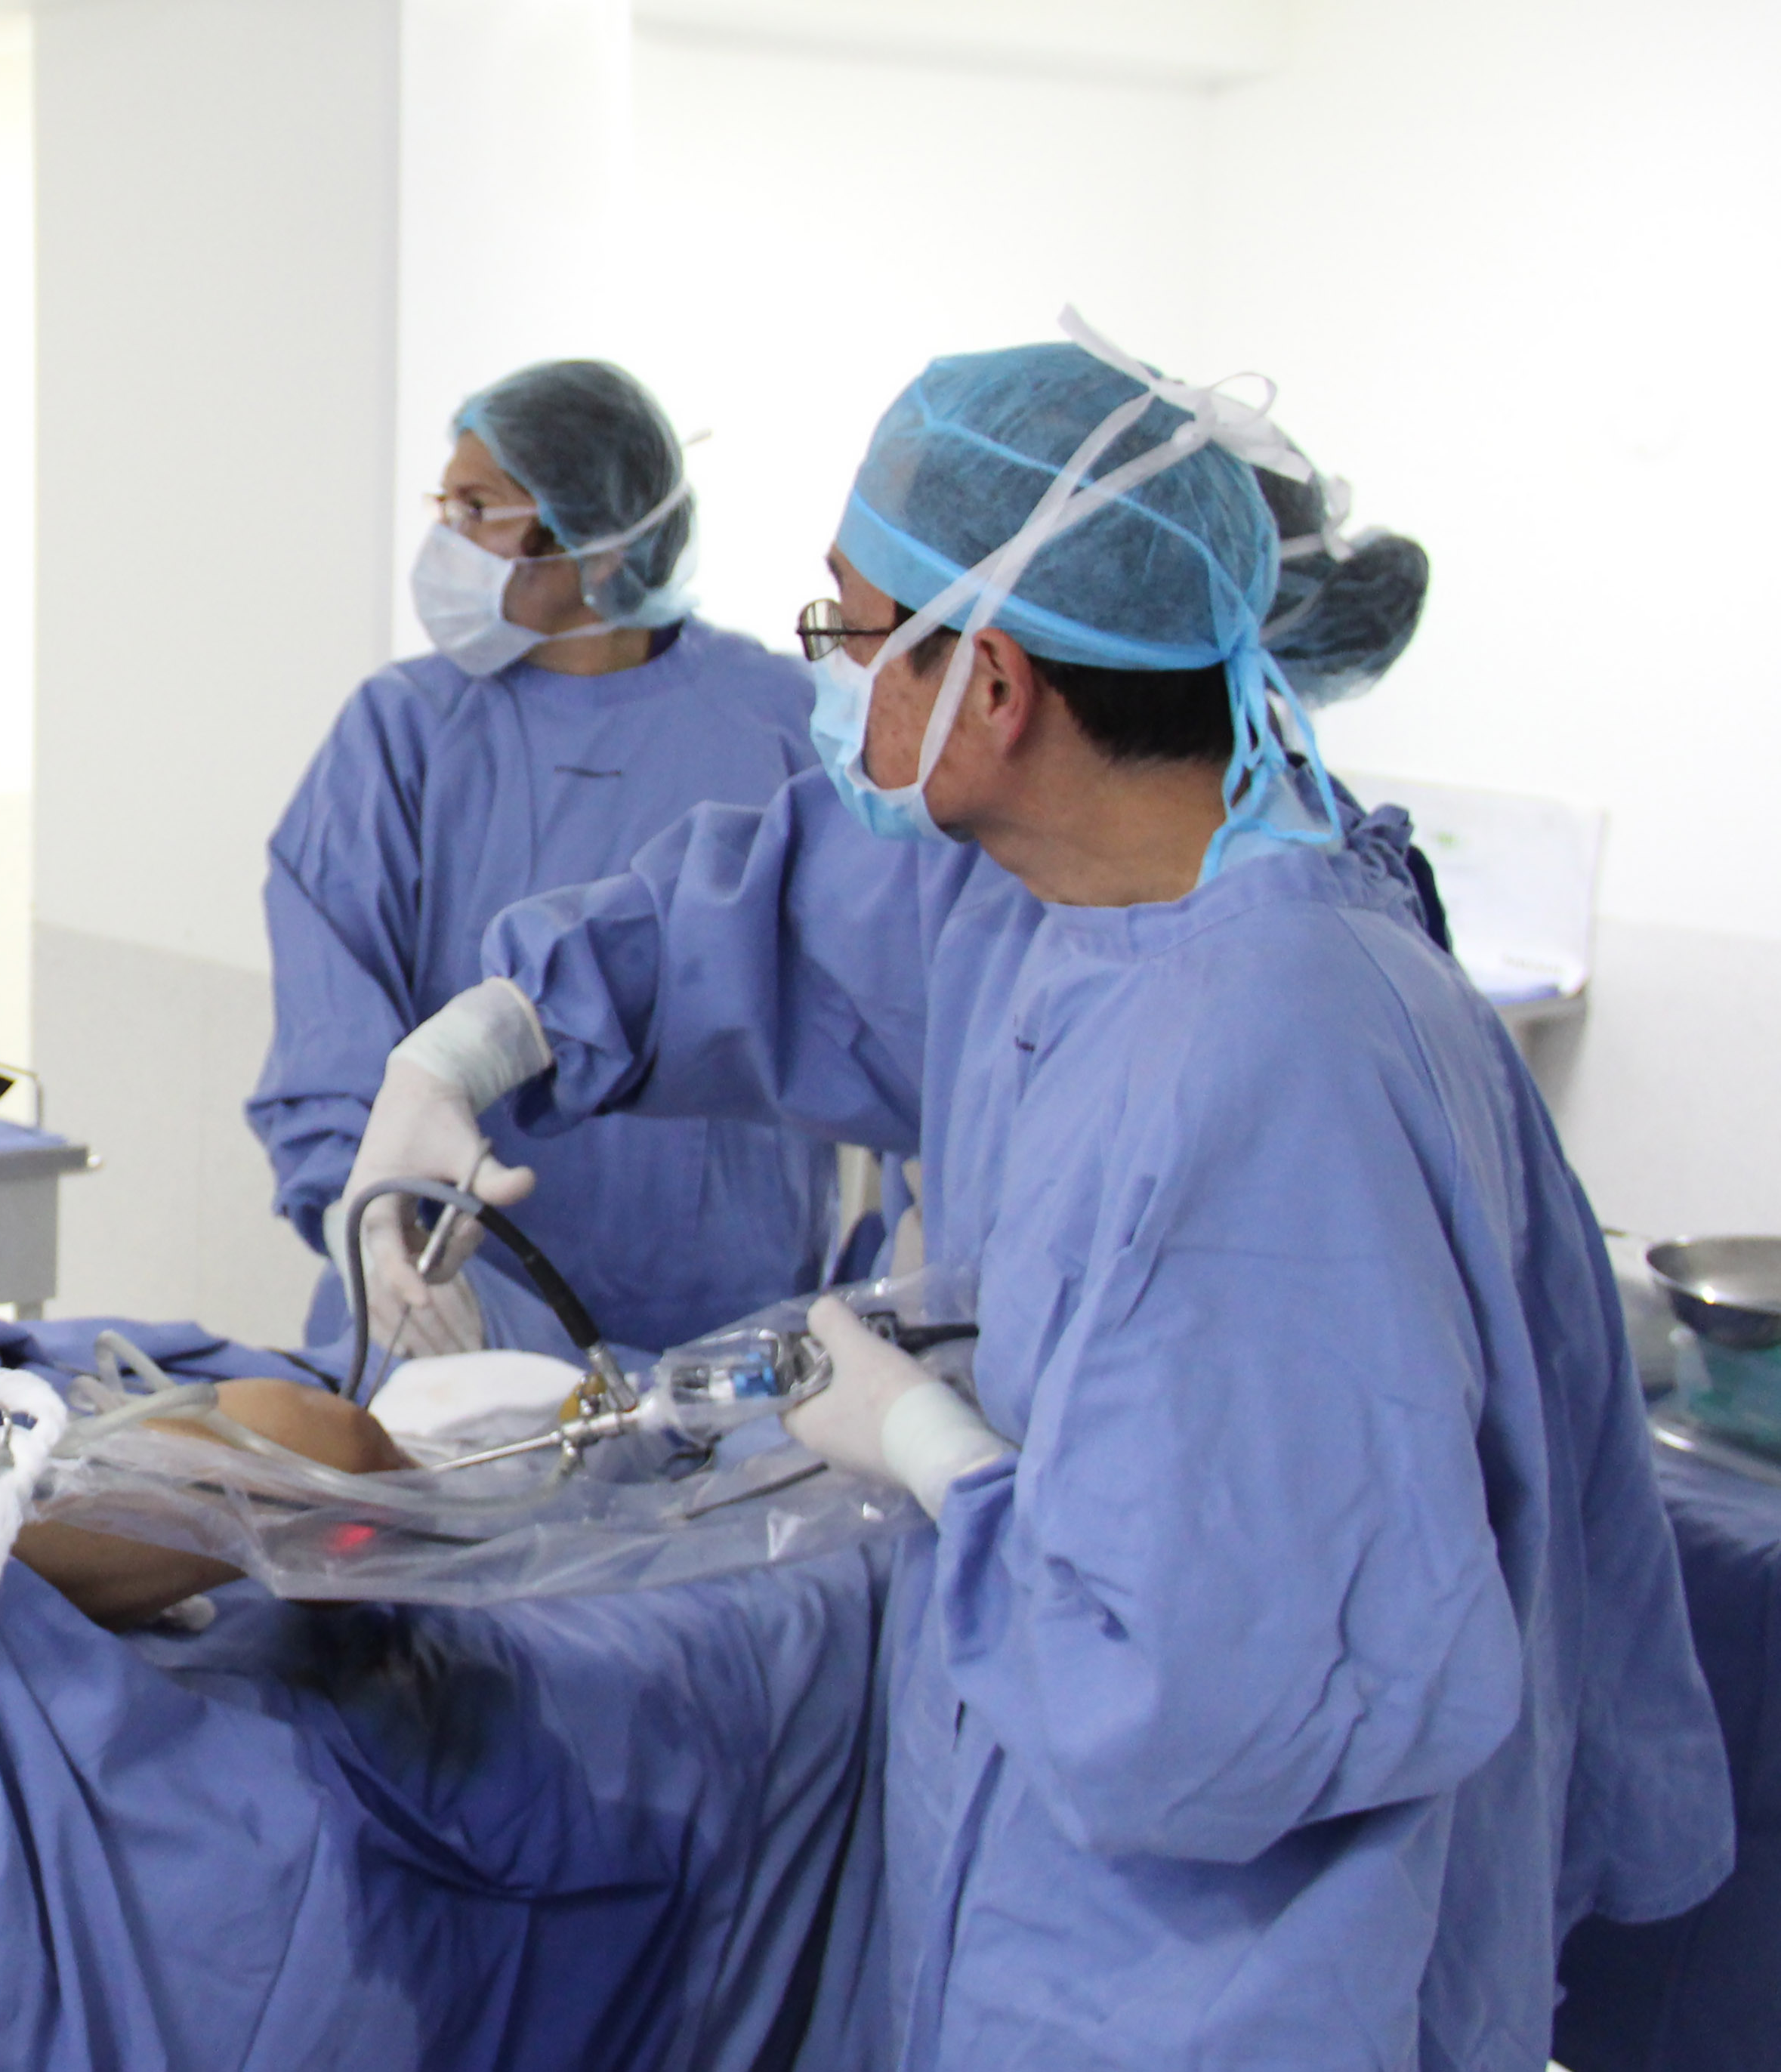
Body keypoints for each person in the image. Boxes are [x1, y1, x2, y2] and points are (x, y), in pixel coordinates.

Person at [350, 323, 1734, 2066]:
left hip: (1216, 1988)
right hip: (1058, 1899)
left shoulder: (1277, 1074)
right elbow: (787, 910)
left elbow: (1208, 1695)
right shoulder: (1060, 896)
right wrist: (482, 1039)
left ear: (993, 688)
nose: (831, 675)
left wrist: (932, 1449)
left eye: (851, 630)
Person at [248, 360, 834, 1364]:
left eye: (477, 509)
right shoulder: (403, 732)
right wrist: (367, 1224)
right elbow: (330, 1024)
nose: (445, 542)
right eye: (444, 507)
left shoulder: (786, 726)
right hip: (439, 1316)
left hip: (721, 1321)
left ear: (594, 540)